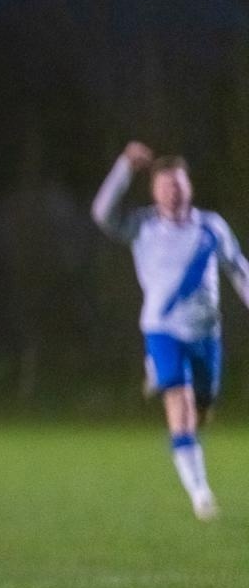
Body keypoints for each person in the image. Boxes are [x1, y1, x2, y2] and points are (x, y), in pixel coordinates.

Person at [92, 142, 249, 520]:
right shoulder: (142, 226)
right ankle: (200, 494)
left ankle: (161, 377)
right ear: (154, 191)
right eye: (164, 186)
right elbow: (102, 214)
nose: (172, 192)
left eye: (178, 184)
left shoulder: (211, 227)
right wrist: (123, 168)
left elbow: (238, 269)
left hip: (206, 334)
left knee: (205, 405)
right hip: (162, 330)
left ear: (189, 187)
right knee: (180, 408)